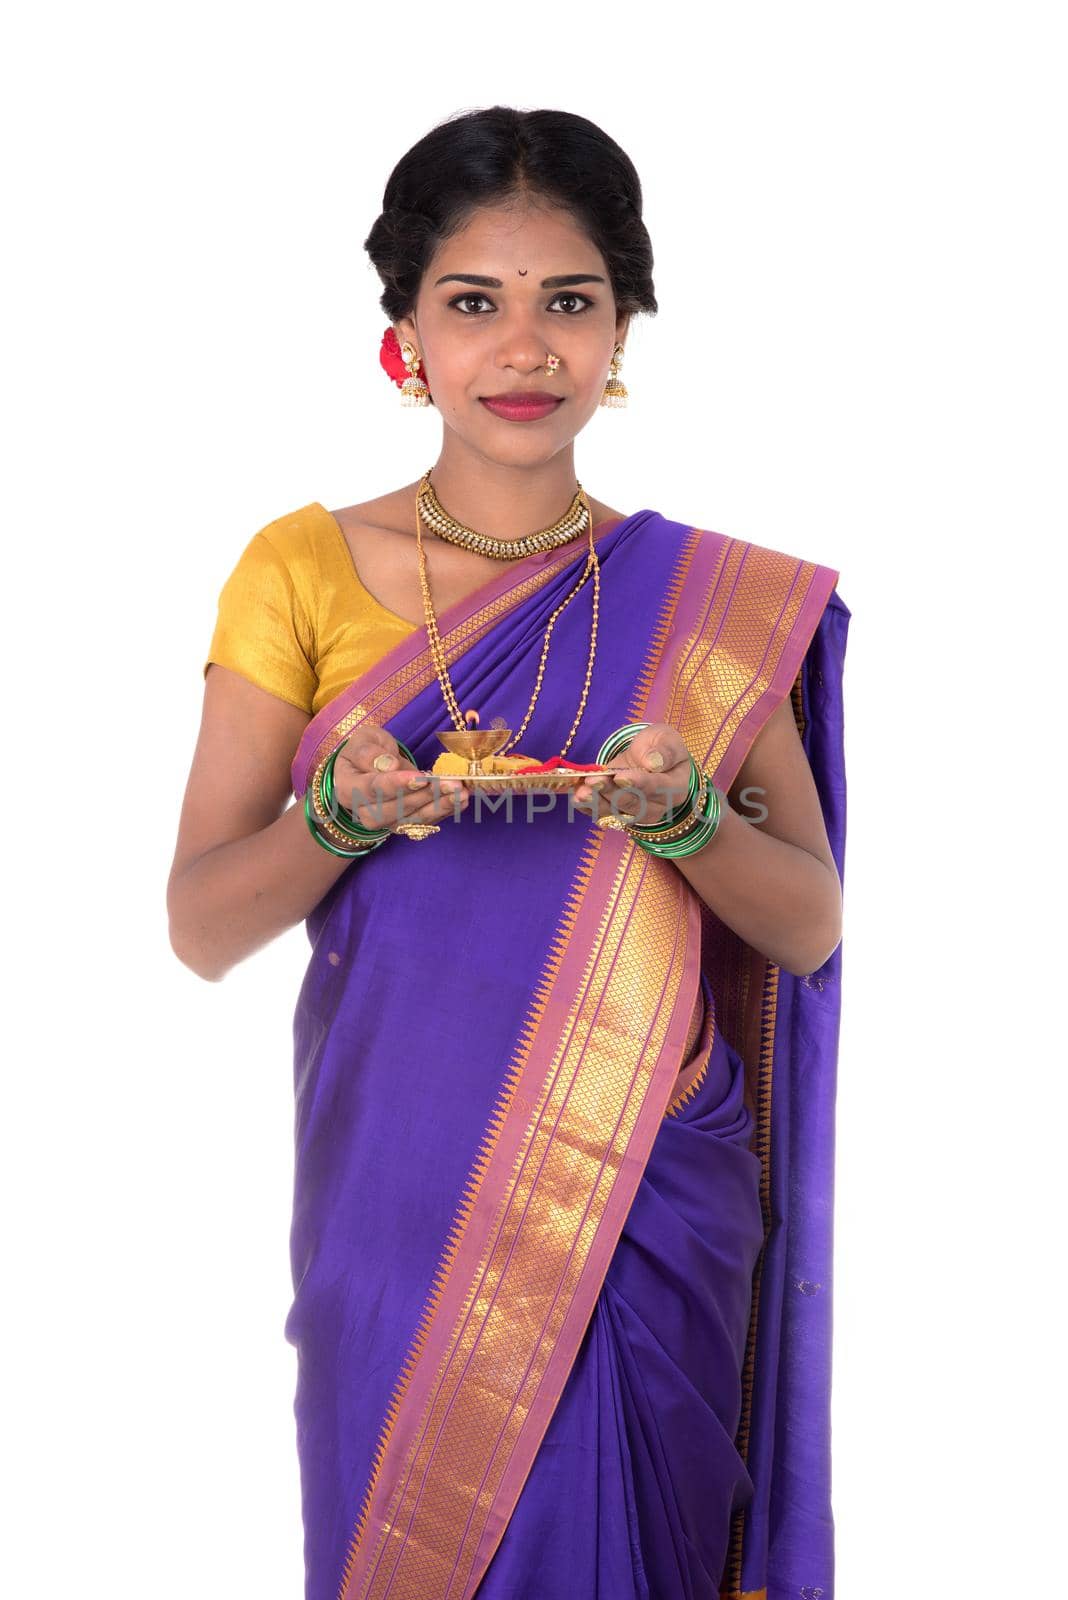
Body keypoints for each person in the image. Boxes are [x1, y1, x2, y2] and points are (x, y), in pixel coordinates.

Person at [168, 105, 850, 1600]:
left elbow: (806, 920)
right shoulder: (301, 568)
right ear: (405, 333)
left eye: (571, 303)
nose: (525, 349)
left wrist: (688, 822)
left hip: (649, 1181)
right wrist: (337, 824)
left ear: (624, 331)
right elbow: (204, 920)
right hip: (401, 1197)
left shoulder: (706, 603)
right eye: (474, 303)